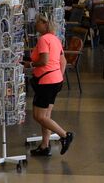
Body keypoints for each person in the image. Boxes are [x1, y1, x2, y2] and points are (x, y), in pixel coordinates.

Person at [28, 16, 73, 157]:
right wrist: (58, 75)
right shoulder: (56, 39)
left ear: (44, 24)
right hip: (55, 80)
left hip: (45, 82)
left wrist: (30, 65)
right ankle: (44, 146)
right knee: (46, 116)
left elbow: (44, 60)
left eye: (37, 22)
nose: (35, 25)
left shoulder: (43, 39)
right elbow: (63, 61)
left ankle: (65, 135)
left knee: (39, 116)